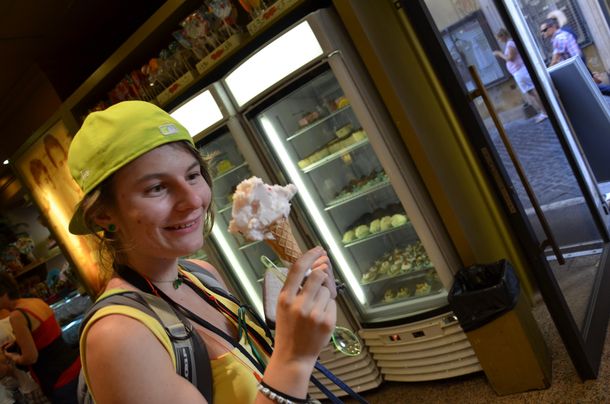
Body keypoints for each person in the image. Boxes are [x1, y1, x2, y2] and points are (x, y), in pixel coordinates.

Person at [67, 100, 338, 403]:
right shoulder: (118, 335)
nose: (193, 200)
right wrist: (294, 357)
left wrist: (302, 327)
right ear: (103, 215)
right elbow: (286, 370)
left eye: (193, 175)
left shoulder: (202, 275)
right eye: (157, 187)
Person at [0, 272, 80, 403]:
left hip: (57, 379)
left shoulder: (17, 316)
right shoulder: (36, 302)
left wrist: (14, 357)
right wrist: (17, 342)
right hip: (73, 365)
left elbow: (31, 357)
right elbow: (47, 334)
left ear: (3, 294)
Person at [493, 28, 548, 123]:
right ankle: (544, 111)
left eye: (499, 38)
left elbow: (510, 58)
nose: (499, 40)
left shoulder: (510, 44)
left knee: (533, 92)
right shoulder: (509, 44)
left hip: (520, 71)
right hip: (519, 72)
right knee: (532, 92)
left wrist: (499, 54)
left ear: (503, 36)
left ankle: (545, 111)